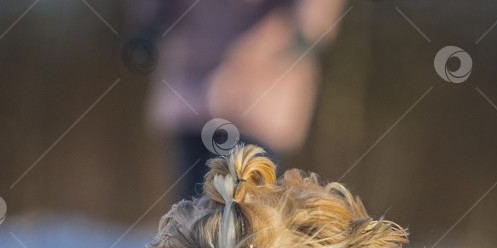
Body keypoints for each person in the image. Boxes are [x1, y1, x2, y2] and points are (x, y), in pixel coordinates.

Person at [131, 0, 346, 198]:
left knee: (241, 204)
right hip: (189, 88)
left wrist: (305, 32)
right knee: (190, 205)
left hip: (261, 95)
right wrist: (149, 22)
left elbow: (312, 19)